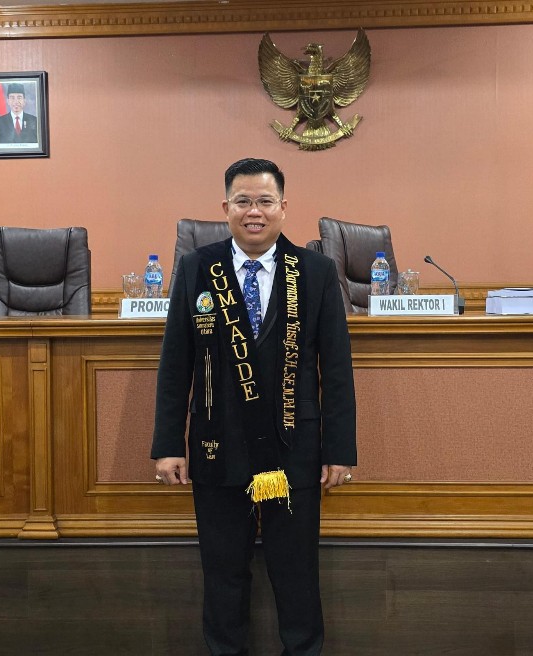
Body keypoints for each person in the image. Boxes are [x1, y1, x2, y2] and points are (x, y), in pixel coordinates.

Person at [151, 157, 356, 656]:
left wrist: (339, 450)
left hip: (294, 448)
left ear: (284, 207)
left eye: (265, 201)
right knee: (223, 571)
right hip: (218, 443)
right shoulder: (197, 268)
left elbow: (336, 368)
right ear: (225, 207)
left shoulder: (316, 271)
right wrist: (168, 444)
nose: (254, 212)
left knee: (296, 571)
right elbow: (175, 363)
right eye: (243, 201)